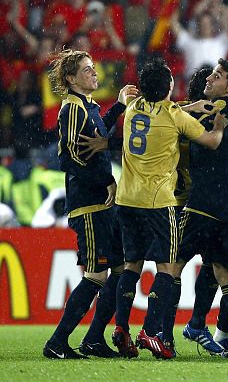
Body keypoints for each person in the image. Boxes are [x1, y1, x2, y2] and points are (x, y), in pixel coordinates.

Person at [113, 58, 227, 360]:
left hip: (126, 199)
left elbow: (159, 108)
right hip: (158, 202)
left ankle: (121, 326)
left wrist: (190, 107)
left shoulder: (132, 106)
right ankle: (151, 331)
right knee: (167, 267)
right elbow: (211, 141)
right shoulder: (174, 116)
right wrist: (219, 126)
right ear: (169, 87)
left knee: (132, 265)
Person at [43, 49, 137, 360]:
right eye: (86, 69)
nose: (94, 73)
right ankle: (57, 342)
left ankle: (94, 338)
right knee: (97, 275)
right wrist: (105, 180)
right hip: (89, 204)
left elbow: (96, 138)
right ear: (71, 79)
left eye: (93, 67)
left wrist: (118, 106)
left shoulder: (88, 106)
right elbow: (69, 157)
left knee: (120, 269)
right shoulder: (71, 109)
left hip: (103, 204)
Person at [170, 59, 228, 359]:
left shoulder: (204, 114)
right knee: (223, 270)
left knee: (172, 265)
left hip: (204, 203)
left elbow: (161, 120)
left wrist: (188, 109)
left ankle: (162, 334)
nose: (209, 78)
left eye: (217, 76)